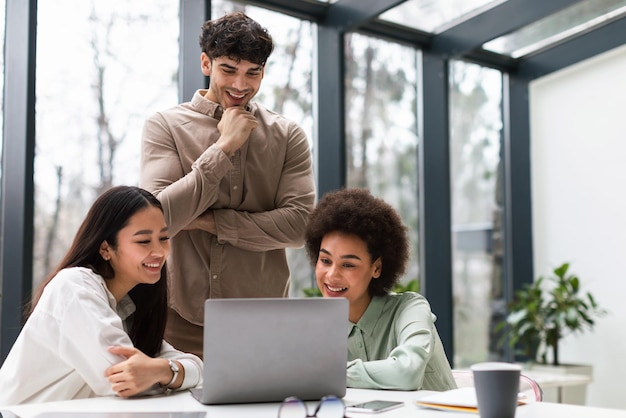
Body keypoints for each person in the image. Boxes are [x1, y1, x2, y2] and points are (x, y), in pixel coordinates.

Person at [140, 11, 315, 357]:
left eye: (253, 73)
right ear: (206, 63)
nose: (240, 85)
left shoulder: (288, 135)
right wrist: (223, 148)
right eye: (229, 69)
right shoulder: (165, 126)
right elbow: (157, 219)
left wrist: (208, 221)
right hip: (178, 320)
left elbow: (300, 226)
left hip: (264, 321)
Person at [0, 186, 203, 405]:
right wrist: (167, 373)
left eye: (163, 238)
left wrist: (162, 369)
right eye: (144, 241)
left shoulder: (127, 306)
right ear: (106, 248)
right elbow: (122, 378)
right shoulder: (74, 286)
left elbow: (198, 369)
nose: (159, 251)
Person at [304, 188, 456, 391]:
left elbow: (406, 372)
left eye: (348, 264)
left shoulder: (410, 309)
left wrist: (329, 374)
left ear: (376, 268)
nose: (331, 275)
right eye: (325, 260)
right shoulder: (319, 331)